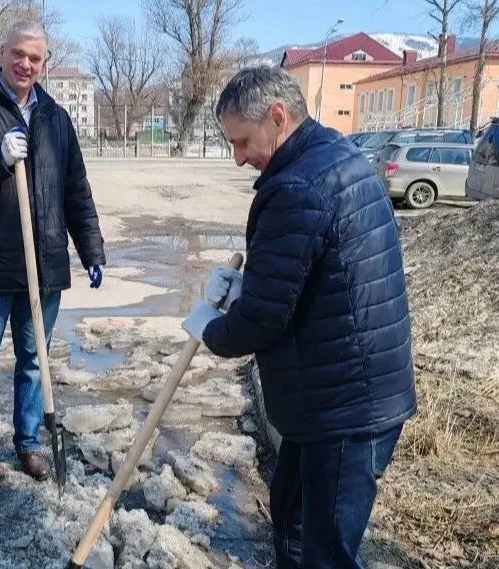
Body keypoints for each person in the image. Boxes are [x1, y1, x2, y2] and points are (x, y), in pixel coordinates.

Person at [182, 66, 417, 569]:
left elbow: (262, 320)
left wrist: (212, 328)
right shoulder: (336, 156)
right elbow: (316, 276)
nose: (238, 157)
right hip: (339, 389)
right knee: (290, 514)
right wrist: (249, 288)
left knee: (325, 551)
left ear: (277, 116)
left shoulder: (298, 187)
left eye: (242, 141)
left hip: (346, 406)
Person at [0, 21, 106, 494]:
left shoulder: (55, 118)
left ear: (44, 63)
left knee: (35, 362)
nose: (25, 64)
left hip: (43, 266)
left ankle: (29, 442)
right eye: (18, 54)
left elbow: (76, 191)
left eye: (35, 58)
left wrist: (91, 250)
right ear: (2, 52)